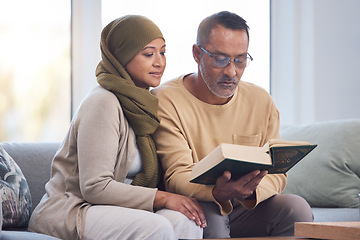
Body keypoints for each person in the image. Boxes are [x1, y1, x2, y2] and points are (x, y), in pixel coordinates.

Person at [28, 15, 206, 240]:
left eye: (163, 52)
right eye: (149, 54)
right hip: (74, 209)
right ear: (122, 57)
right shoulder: (103, 102)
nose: (159, 62)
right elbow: (94, 187)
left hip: (116, 209)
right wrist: (163, 197)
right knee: (156, 227)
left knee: (186, 221)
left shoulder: (145, 105)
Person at [152, 11, 313, 238]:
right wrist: (217, 192)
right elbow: (176, 174)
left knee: (296, 208)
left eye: (240, 59)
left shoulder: (261, 100)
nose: (231, 71)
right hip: (201, 203)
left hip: (247, 206)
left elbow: (277, 172)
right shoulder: (167, 100)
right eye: (220, 59)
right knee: (212, 219)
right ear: (197, 54)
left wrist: (249, 193)